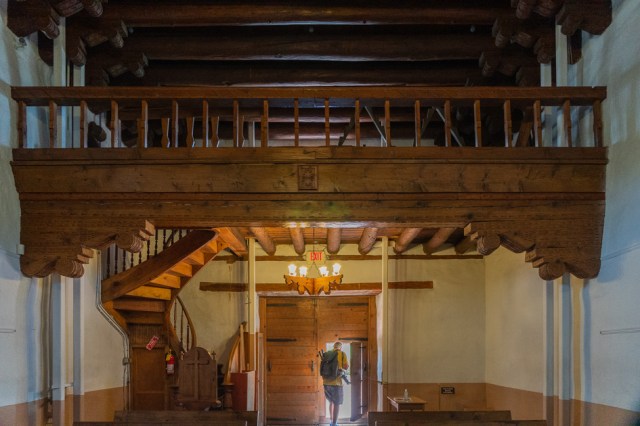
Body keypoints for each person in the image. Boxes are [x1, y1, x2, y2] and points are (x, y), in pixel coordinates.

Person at [323, 341, 349, 426]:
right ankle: (334, 424)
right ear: (340, 347)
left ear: (334, 347)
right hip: (336, 383)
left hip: (326, 383)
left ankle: (331, 421)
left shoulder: (327, 354)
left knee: (331, 402)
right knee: (337, 403)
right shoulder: (342, 354)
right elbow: (346, 366)